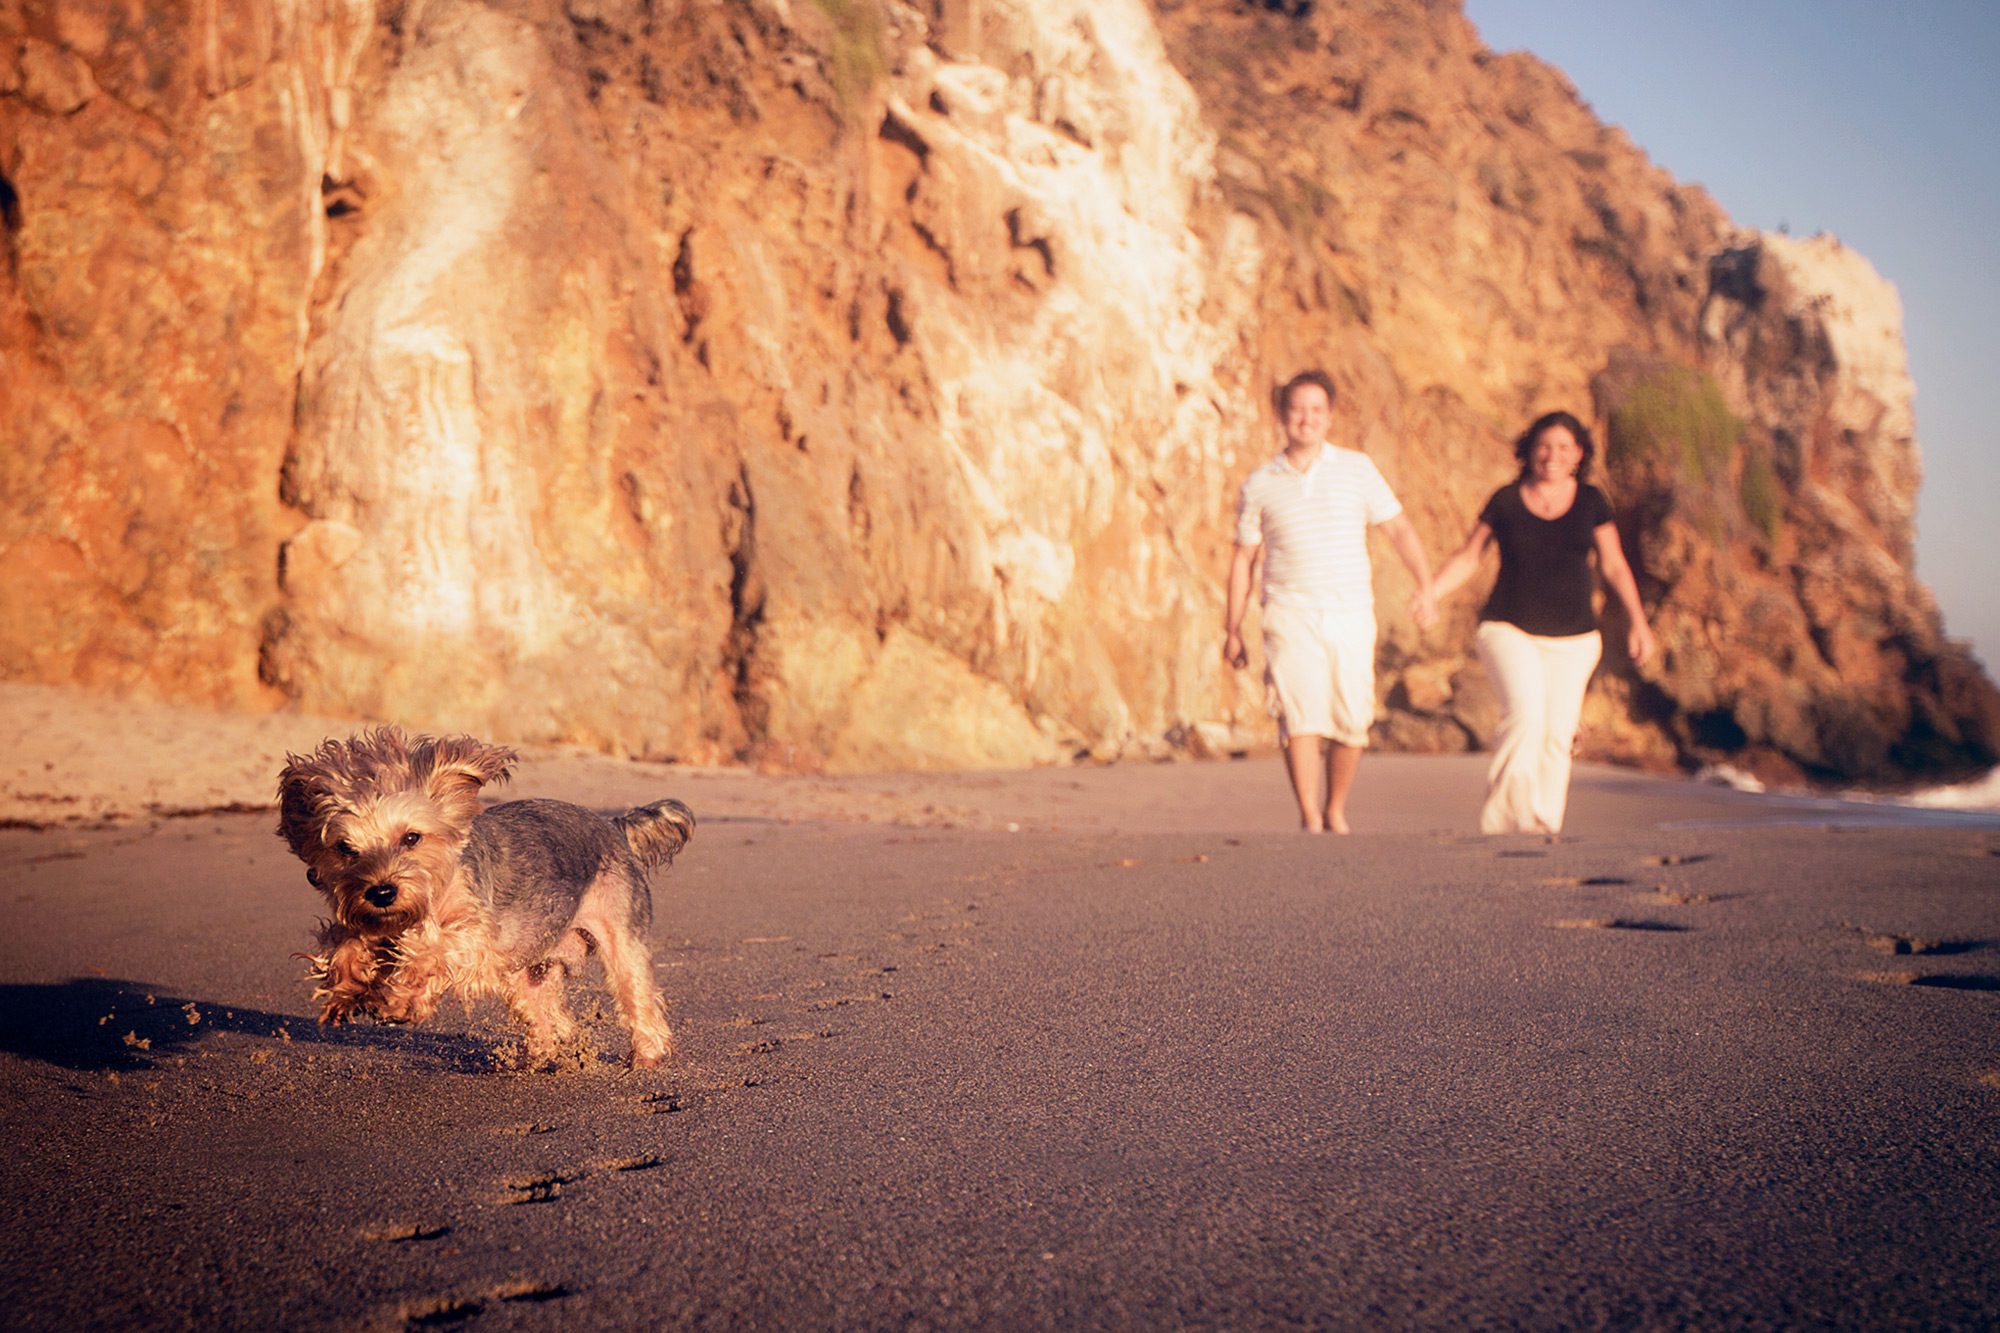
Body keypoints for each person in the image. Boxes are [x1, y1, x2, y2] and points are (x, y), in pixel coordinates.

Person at [1222, 370, 1438, 833]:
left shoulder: (1356, 469)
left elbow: (1397, 528)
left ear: (1330, 417)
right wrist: (1232, 628)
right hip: (1288, 609)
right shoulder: (1259, 482)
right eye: (1297, 409)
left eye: (1316, 410)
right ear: (1282, 415)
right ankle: (1309, 813)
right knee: (1299, 713)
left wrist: (1426, 585)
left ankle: (1336, 806)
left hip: (1350, 611)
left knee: (1351, 716)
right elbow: (1244, 557)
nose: (1307, 419)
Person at [1429, 410, 1657, 834]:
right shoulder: (1506, 500)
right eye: (1544, 446)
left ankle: (1543, 824)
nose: (1552, 456)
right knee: (1525, 716)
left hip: (1575, 639)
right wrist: (1431, 593)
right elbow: (1469, 556)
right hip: (1508, 629)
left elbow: (1615, 566)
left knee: (1557, 733)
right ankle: (1502, 823)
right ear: (1530, 451)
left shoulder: (1592, 502)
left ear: (1579, 455)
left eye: (1564, 448)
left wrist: (1638, 623)